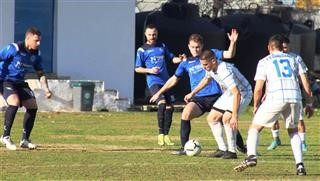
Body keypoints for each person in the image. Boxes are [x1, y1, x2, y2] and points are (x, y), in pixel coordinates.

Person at [150, 30, 247, 155]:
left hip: (216, 96)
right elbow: (174, 79)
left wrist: (232, 42)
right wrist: (159, 93)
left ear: (202, 46)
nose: (195, 49)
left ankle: (240, 146)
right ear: (188, 46)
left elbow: (229, 54)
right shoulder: (185, 63)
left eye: (197, 47)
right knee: (185, 114)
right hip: (198, 99)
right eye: (192, 47)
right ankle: (186, 148)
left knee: (225, 119)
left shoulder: (210, 55)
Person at [234, 35, 313, 176]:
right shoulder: (295, 58)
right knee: (293, 131)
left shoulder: (264, 61)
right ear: (282, 47)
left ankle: (251, 156)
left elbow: (258, 88)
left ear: (269, 48)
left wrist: (256, 105)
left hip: (275, 97)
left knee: (255, 127)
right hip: (294, 97)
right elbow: (306, 83)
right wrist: (309, 103)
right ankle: (300, 166)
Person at [184, 49, 252, 159]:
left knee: (227, 118)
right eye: (202, 64)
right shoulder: (210, 67)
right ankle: (222, 149)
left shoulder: (224, 70)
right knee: (212, 118)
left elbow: (237, 93)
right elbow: (206, 79)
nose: (204, 67)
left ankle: (232, 151)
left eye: (205, 64)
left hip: (243, 93)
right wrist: (192, 93)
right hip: (230, 93)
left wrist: (234, 116)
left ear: (214, 61)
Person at [0, 27, 52, 150]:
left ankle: (25, 140)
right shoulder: (14, 48)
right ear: (28, 38)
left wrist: (46, 89)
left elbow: (40, 73)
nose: (38, 43)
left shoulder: (36, 55)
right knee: (14, 102)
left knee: (32, 106)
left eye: (40, 41)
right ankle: (5, 137)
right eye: (36, 40)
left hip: (19, 82)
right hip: (5, 80)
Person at [135, 24, 181, 146]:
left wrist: (181, 59)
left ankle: (166, 135)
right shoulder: (142, 50)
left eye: (154, 34)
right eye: (149, 34)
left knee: (170, 108)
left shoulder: (162, 46)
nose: (152, 36)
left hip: (166, 82)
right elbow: (137, 68)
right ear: (145, 34)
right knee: (162, 104)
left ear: (157, 33)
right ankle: (160, 134)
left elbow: (172, 59)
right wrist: (149, 70)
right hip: (153, 82)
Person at [267, 36, 314, 152]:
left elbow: (304, 78)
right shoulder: (271, 58)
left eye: (285, 47)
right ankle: (276, 139)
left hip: (292, 93)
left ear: (289, 46)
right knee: (274, 119)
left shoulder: (296, 58)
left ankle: (303, 143)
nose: (284, 50)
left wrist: (308, 98)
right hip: (276, 94)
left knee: (298, 120)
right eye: (282, 47)